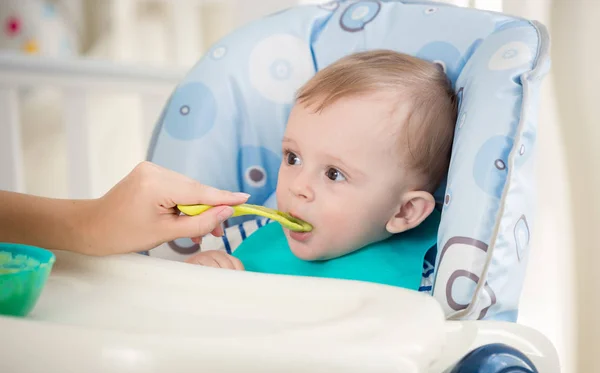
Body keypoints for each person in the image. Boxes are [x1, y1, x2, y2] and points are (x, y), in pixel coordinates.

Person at [184, 50, 458, 290]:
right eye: (293, 158)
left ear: (404, 211)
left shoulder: (431, 284)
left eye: (333, 174)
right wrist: (198, 276)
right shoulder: (245, 238)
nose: (298, 186)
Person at [0, 162, 249, 256]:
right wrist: (204, 274)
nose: (291, 187)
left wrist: (89, 226)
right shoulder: (239, 243)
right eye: (290, 157)